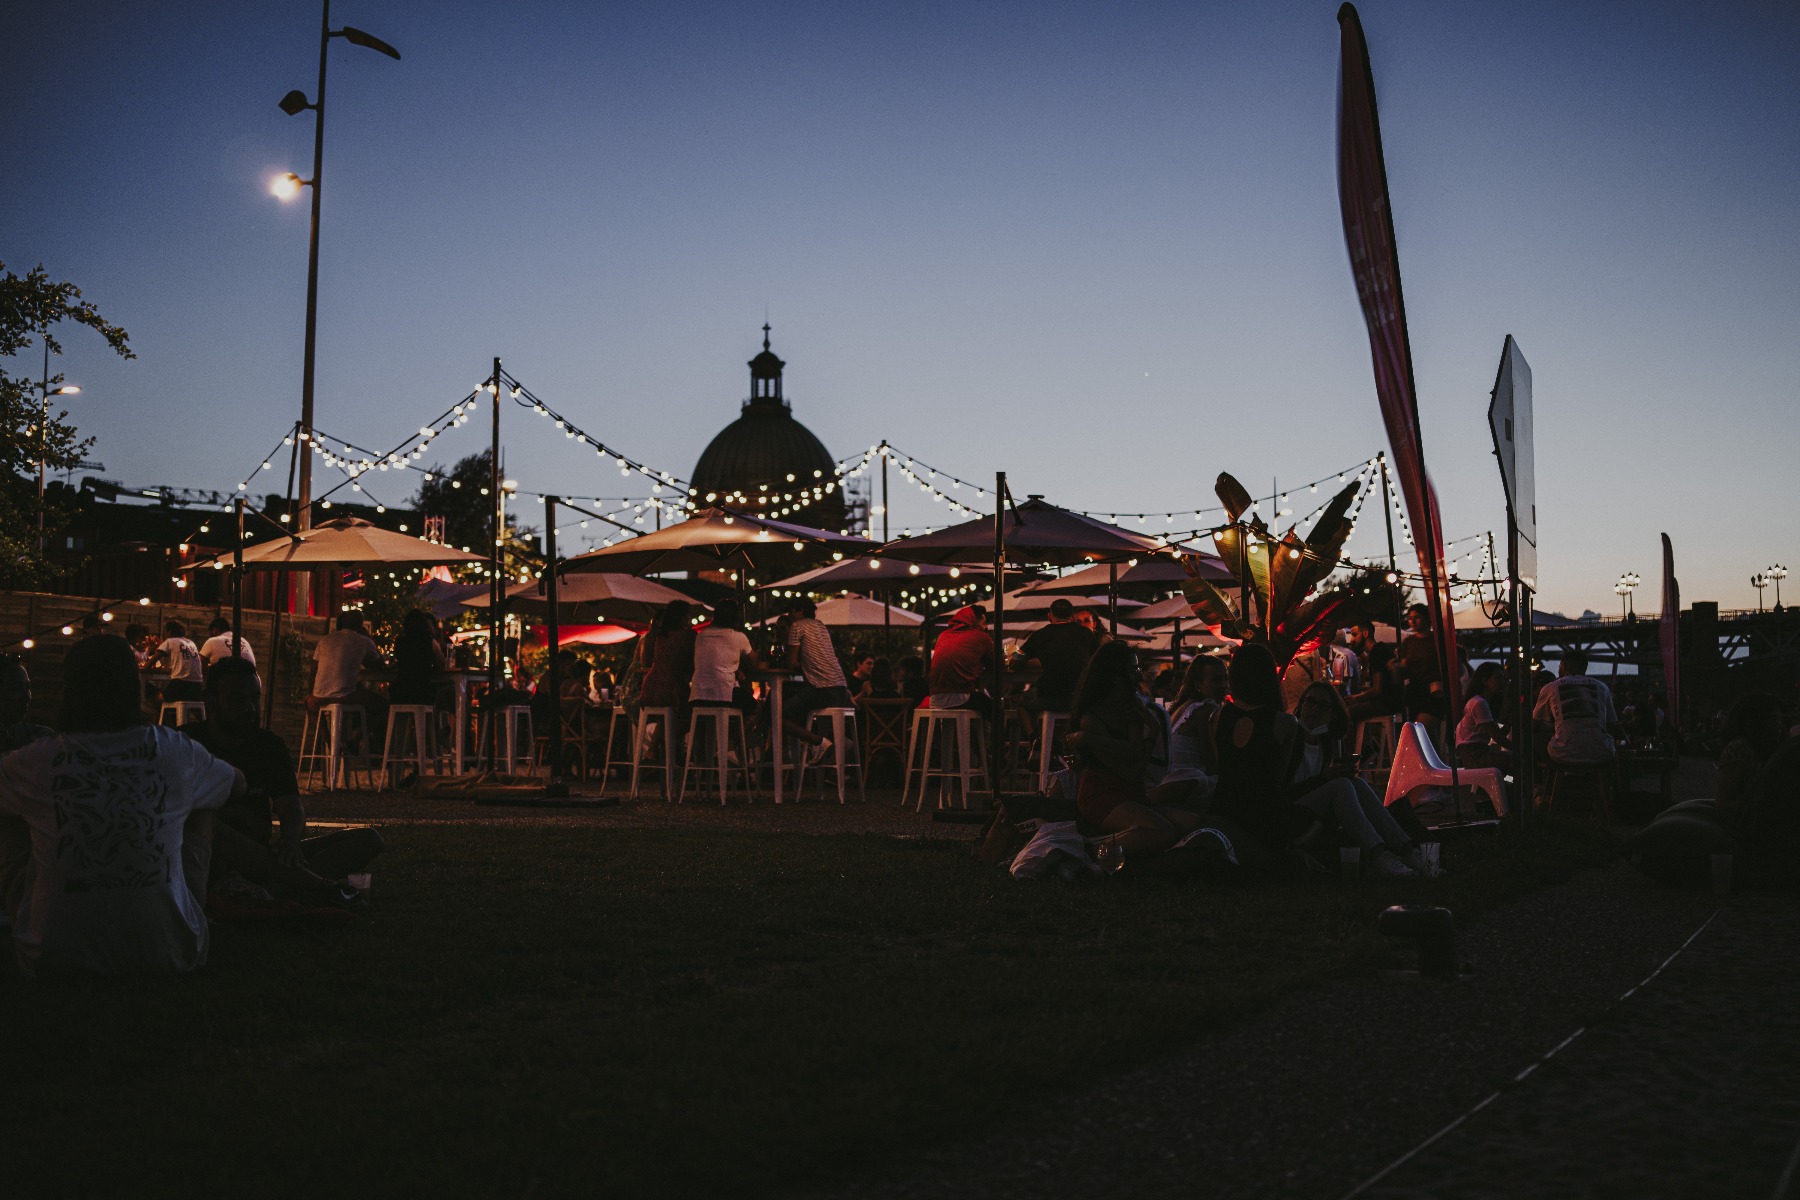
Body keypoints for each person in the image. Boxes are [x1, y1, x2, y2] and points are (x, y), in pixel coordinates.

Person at [0, 635, 244, 976]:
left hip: (52, 958)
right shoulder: (176, 751)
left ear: (68, 691)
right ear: (134, 686)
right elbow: (237, 784)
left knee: (9, 809)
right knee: (204, 800)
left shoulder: (35, 761)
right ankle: (182, 914)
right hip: (172, 953)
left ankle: (29, 921)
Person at [183, 656, 380, 908]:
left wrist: (289, 839)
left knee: (368, 839)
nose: (250, 708)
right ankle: (312, 886)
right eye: (237, 699)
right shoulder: (187, 745)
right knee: (210, 828)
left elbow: (290, 803)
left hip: (264, 857)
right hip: (209, 858)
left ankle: (265, 890)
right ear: (210, 702)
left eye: (254, 698)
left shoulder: (268, 745)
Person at [1066, 641, 1201, 857]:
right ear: (1112, 676)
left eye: (1138, 669)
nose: (1138, 677)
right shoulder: (1092, 719)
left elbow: (1136, 762)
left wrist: (1154, 732)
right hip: (1101, 796)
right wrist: (1091, 737)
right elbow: (1130, 771)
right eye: (1132, 670)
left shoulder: (1131, 711)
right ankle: (1087, 852)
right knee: (1162, 831)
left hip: (1132, 793)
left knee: (1192, 823)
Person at [1287, 681, 1422, 877]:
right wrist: (1325, 778)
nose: (1313, 709)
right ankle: (1377, 855)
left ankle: (1407, 851)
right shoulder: (1291, 737)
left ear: (1332, 714)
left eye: (1322, 705)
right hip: (1292, 810)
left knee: (1355, 782)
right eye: (1310, 702)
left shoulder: (1324, 743)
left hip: (1313, 807)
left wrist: (1332, 774)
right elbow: (1285, 789)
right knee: (1341, 785)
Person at [778, 599, 853, 761]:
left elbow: (792, 663)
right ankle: (837, 741)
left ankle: (818, 742)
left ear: (800, 612)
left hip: (822, 690)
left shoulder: (797, 627)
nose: (789, 616)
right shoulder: (820, 626)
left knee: (777, 714)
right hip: (841, 690)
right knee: (794, 699)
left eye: (792, 611)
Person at [1531, 648, 1619, 768]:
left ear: (1564, 665)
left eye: (1559, 666)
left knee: (1534, 736)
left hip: (1563, 754)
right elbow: (1611, 725)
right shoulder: (1602, 687)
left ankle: (1546, 775)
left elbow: (1535, 724)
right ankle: (1599, 782)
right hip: (1601, 753)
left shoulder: (1550, 688)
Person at [1020, 597, 1100, 715]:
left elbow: (1017, 659)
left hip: (1049, 696)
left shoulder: (1039, 635)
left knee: (1022, 701)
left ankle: (1034, 734)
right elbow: (1098, 659)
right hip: (1079, 696)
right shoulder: (1086, 633)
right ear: (1072, 617)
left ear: (1049, 616)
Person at [1716, 691, 1787, 816]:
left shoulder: (1773, 746)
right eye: (1773, 718)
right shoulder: (1739, 749)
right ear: (1757, 719)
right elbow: (1724, 802)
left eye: (1780, 719)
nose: (1779, 725)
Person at [309, 613, 387, 717]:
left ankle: (326, 732)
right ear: (361, 625)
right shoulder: (364, 641)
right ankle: (363, 732)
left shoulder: (325, 640)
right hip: (344, 696)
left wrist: (313, 694)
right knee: (382, 704)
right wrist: (368, 637)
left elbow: (313, 671)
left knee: (310, 703)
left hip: (318, 697)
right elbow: (379, 665)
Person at [928, 605, 995, 717]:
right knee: (995, 708)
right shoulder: (980, 637)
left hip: (935, 698)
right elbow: (998, 663)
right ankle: (995, 735)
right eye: (984, 623)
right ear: (974, 621)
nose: (986, 627)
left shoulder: (943, 635)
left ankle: (961, 734)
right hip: (961, 697)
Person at [1167, 654, 1227, 780]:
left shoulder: (1184, 706)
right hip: (1190, 784)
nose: (1224, 685)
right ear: (1198, 685)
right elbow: (1212, 765)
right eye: (1216, 680)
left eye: (1225, 679)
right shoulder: (1204, 711)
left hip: (1171, 781)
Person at [691, 598, 756, 712]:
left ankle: (724, 729)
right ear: (736, 618)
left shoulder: (701, 636)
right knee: (756, 709)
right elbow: (754, 662)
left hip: (698, 696)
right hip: (724, 695)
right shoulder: (738, 636)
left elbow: (714, 661)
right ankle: (738, 730)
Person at [1396, 604, 1447, 741]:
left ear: (1426, 619)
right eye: (1410, 618)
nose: (1412, 621)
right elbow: (1405, 672)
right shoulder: (1408, 642)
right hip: (1415, 693)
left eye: (1417, 617)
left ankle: (1433, 760)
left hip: (1434, 693)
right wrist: (1400, 666)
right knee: (1418, 734)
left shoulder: (1436, 640)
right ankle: (1430, 760)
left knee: (1423, 730)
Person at [638, 600, 698, 714]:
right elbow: (695, 661)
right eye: (688, 614)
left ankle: (662, 732)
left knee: (668, 720)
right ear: (683, 617)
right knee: (695, 713)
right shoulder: (688, 636)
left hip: (650, 688)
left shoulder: (660, 636)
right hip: (671, 690)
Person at [1281, 629, 1356, 711]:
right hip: (1303, 709)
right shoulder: (1311, 650)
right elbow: (1319, 684)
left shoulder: (1278, 650)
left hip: (1282, 710)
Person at [1344, 619, 1400, 724]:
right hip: (1394, 701)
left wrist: (1356, 698)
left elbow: (1378, 689)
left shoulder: (1377, 652)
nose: (1351, 639)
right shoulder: (1379, 649)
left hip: (1387, 703)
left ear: (1365, 633)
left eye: (1355, 635)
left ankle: (1354, 740)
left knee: (1345, 712)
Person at [1455, 662, 1510, 769]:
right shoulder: (1479, 703)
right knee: (1518, 760)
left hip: (1475, 753)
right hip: (1475, 755)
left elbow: (1496, 735)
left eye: (1503, 678)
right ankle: (1513, 784)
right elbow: (1497, 737)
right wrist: (1520, 750)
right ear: (1485, 681)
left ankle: (1508, 783)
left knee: (1512, 761)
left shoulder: (1480, 702)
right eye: (1498, 678)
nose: (1503, 682)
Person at [389, 609, 448, 707]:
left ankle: (400, 722)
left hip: (399, 691)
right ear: (424, 624)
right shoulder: (429, 641)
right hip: (422, 691)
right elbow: (441, 663)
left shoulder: (399, 641)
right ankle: (431, 721)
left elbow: (399, 660)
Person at [0, 655, 53, 753]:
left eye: (27, 687)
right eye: (15, 689)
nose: (27, 697)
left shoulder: (41, 738)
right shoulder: (39, 739)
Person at [154, 619, 206, 702]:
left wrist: (145, 666)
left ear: (169, 632)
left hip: (180, 685)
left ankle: (164, 714)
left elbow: (156, 656)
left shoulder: (170, 641)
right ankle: (175, 713)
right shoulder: (191, 643)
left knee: (156, 696)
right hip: (197, 688)